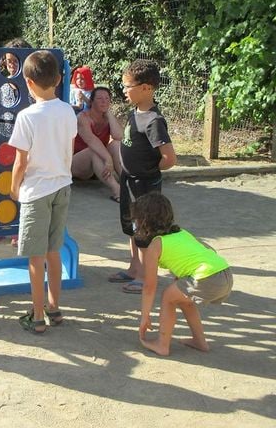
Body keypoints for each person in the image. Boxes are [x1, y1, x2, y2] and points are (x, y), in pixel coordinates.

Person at [9, 50, 77, 334]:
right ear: (59, 79)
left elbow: (21, 161)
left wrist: (14, 188)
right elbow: (69, 148)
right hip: (62, 186)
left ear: (28, 82)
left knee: (35, 257)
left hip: (36, 191)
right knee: (53, 251)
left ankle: (37, 316)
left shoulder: (27, 116)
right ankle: (54, 307)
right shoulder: (67, 110)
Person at [132, 192, 233, 356]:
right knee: (185, 301)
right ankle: (200, 342)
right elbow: (207, 251)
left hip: (206, 277)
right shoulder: (182, 233)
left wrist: (144, 317)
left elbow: (150, 286)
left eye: (135, 219)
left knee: (167, 297)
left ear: (144, 221)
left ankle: (162, 345)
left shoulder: (155, 246)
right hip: (225, 273)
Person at [108, 59, 177, 293]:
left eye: (128, 86)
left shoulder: (154, 121)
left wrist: (148, 170)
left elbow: (169, 158)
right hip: (129, 181)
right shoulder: (134, 112)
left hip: (145, 185)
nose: (124, 90)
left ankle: (148, 277)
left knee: (146, 230)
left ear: (146, 88)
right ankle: (134, 268)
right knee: (131, 227)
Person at [0, 38, 32, 247]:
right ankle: (0, 226)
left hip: (23, 140)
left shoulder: (31, 84)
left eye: (15, 60)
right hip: (2, 140)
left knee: (21, 183)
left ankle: (18, 229)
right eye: (9, 60)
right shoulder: (2, 83)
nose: (11, 64)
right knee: (0, 183)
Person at [71, 87, 123, 201]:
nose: (104, 101)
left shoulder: (108, 118)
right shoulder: (83, 117)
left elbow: (118, 136)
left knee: (116, 144)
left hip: (99, 161)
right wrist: (108, 158)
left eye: (107, 99)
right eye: (99, 98)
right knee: (92, 151)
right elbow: (91, 141)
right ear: (91, 102)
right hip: (77, 163)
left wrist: (108, 114)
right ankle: (117, 190)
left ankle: (126, 181)